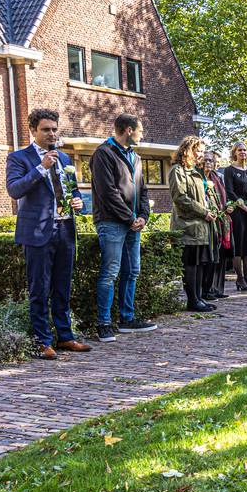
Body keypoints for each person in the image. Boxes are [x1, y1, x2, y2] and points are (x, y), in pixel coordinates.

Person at [5, 109, 92, 358]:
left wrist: (78, 202)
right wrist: (41, 168)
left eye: (54, 129)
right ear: (33, 130)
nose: (51, 134)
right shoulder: (19, 158)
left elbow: (73, 190)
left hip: (65, 228)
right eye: (46, 129)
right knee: (39, 289)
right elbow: (14, 190)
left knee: (62, 286)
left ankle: (65, 337)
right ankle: (42, 342)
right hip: (37, 232)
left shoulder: (64, 158)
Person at [90, 113, 156, 340]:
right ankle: (103, 323)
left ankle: (127, 319)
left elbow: (142, 189)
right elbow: (107, 192)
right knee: (110, 272)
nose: (142, 134)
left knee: (132, 271)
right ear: (129, 130)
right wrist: (130, 218)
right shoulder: (103, 154)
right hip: (111, 222)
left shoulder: (135, 157)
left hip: (132, 224)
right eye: (140, 130)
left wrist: (143, 216)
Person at [170, 136, 218, 312]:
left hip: (200, 227)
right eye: (198, 151)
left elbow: (201, 198)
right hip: (187, 226)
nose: (201, 155)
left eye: (203, 151)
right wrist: (204, 212)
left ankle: (198, 298)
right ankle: (192, 300)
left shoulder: (196, 172)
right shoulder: (177, 171)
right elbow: (180, 198)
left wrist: (210, 210)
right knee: (190, 265)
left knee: (198, 264)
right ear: (187, 150)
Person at [223, 143, 247, 292]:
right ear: (234, 153)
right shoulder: (229, 170)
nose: (243, 152)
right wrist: (246, 208)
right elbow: (230, 192)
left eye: (244, 150)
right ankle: (240, 278)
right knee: (238, 246)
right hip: (237, 213)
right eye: (239, 150)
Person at [199, 150, 233, 300]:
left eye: (210, 161)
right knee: (206, 256)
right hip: (204, 220)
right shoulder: (198, 177)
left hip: (219, 220)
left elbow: (223, 198)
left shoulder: (217, 177)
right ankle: (204, 290)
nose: (208, 163)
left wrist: (227, 207)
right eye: (205, 160)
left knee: (217, 255)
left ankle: (214, 289)